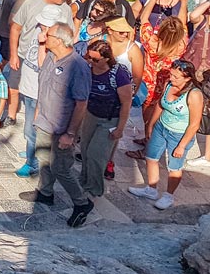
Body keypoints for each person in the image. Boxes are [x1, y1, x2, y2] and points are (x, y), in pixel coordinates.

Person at [19, 24, 94, 228]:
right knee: (44, 159)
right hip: (44, 121)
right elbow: (44, 86)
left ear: (59, 40)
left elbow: (81, 103)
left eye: (48, 34)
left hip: (62, 128)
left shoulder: (77, 66)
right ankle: (45, 192)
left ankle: (81, 203)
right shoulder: (51, 57)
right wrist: (37, 115)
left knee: (61, 167)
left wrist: (70, 133)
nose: (44, 36)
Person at [9, 0, 73, 177]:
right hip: (29, 83)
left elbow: (43, 66)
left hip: (39, 90)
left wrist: (43, 44)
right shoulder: (33, 8)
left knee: (33, 125)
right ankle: (32, 151)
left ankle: (33, 160)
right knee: (31, 123)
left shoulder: (54, 44)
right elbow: (16, 28)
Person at [129, 60, 203, 210]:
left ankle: (169, 195)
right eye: (171, 75)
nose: (172, 79)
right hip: (162, 127)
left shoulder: (194, 95)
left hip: (179, 134)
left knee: (174, 166)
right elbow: (160, 104)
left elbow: (194, 123)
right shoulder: (168, 85)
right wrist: (150, 124)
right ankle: (151, 189)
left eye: (176, 77)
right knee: (151, 157)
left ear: (187, 78)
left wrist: (182, 145)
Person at [128, 0, 189, 160]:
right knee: (157, 117)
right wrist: (183, 2)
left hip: (148, 85)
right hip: (166, 86)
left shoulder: (152, 42)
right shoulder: (180, 45)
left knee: (149, 119)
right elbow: (183, 24)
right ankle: (149, 141)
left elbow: (144, 18)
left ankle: (148, 148)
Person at [78, 39, 131, 200]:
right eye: (89, 58)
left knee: (96, 154)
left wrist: (120, 128)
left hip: (110, 118)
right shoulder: (89, 69)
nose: (91, 62)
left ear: (107, 59)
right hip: (91, 114)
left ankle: (95, 188)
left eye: (95, 59)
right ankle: (85, 181)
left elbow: (126, 102)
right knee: (85, 150)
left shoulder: (118, 74)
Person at [0, 0, 44, 126]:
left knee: (1, 61)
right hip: (8, 34)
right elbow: (14, 21)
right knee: (4, 64)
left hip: (1, 30)